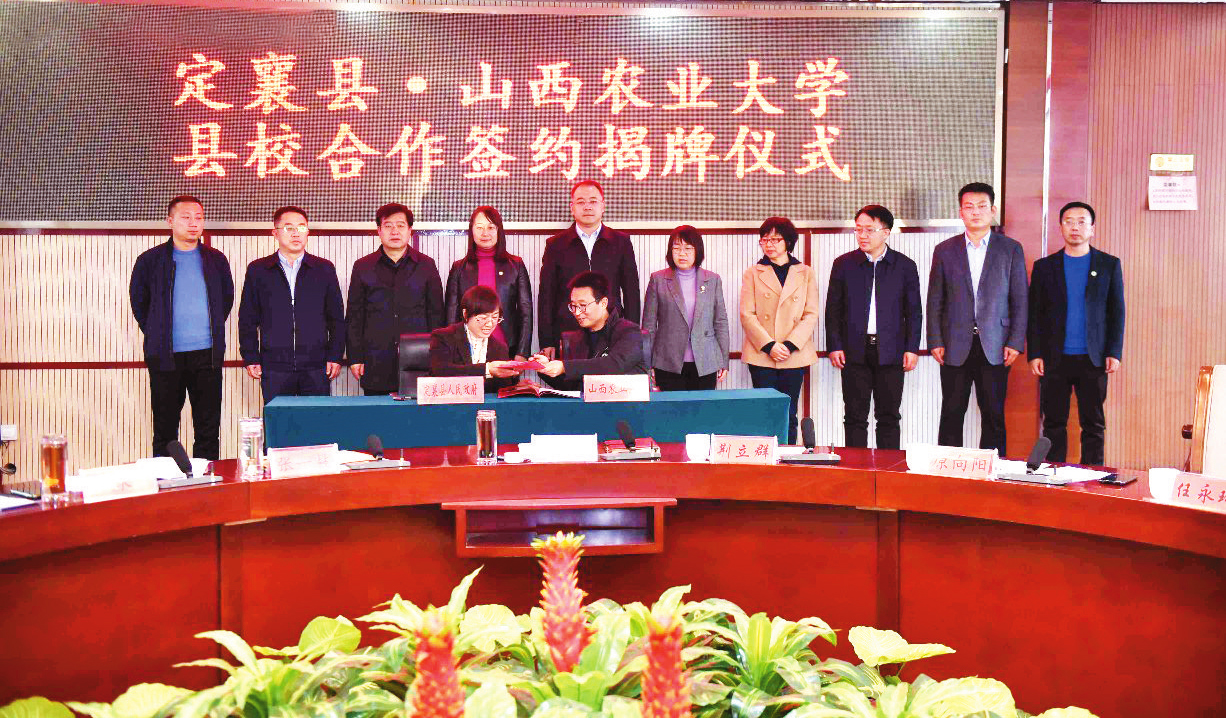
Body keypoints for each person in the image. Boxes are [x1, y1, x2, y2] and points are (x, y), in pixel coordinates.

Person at [129, 195, 233, 460]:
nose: (193, 223)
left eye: (198, 218)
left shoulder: (216, 260)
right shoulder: (150, 261)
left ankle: (206, 480)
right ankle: (166, 482)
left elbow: (226, 300)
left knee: (208, 430)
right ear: (170, 221)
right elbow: (139, 303)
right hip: (165, 356)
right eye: (186, 217)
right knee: (165, 430)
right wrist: (158, 332)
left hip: (207, 355)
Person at [927, 182, 1028, 455]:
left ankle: (992, 472)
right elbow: (935, 298)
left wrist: (1015, 342)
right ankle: (948, 471)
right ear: (960, 212)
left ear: (993, 210)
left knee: (993, 414)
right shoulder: (944, 250)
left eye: (982, 206)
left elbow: (1020, 299)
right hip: (954, 343)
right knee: (952, 412)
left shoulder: (1010, 249)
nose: (975, 212)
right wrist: (935, 339)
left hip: (996, 344)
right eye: (969, 207)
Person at [1028, 201, 1125, 465]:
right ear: (1060, 227)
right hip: (1054, 357)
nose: (1075, 227)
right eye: (1069, 222)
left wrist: (1114, 352)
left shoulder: (1109, 264)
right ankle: (1054, 474)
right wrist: (1035, 353)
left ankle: (1093, 477)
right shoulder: (1045, 267)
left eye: (1082, 222)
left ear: (1092, 228)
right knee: (1053, 423)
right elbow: (1034, 314)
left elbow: (1117, 312)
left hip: (1093, 358)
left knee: (1093, 424)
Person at [825, 205, 922, 449]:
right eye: (858, 230)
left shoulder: (905, 266)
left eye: (869, 230)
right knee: (855, 417)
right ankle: (856, 468)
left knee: (888, 417)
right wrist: (835, 345)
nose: (862, 235)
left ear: (886, 232)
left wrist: (912, 348)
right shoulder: (844, 264)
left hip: (891, 351)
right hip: (854, 350)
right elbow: (833, 310)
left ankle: (887, 469)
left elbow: (914, 312)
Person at [237, 206, 345, 403]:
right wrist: (250, 356)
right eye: (289, 228)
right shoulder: (258, 270)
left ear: (308, 232)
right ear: (275, 233)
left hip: (316, 365)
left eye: (301, 227)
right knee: (279, 419)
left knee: (316, 419)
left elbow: (336, 318)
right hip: (274, 366)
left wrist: (335, 355)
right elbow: (247, 319)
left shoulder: (324, 269)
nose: (296, 233)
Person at [346, 203, 444, 395]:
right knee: (377, 412)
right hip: (375, 360)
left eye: (400, 225)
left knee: (417, 412)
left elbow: (436, 314)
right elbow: (354, 317)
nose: (394, 231)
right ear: (379, 231)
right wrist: (355, 357)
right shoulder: (362, 266)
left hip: (418, 359)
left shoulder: (426, 265)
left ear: (410, 230)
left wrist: (438, 357)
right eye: (388, 225)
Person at [739, 217, 820, 444]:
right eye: (765, 240)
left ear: (788, 242)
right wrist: (769, 346)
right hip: (762, 353)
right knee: (764, 413)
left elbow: (811, 313)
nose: (769, 245)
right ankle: (765, 458)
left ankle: (788, 457)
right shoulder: (753, 273)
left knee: (789, 413)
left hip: (794, 353)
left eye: (775, 239)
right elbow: (746, 314)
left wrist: (790, 345)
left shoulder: (805, 272)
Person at [537, 179, 640, 355]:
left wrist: (631, 335)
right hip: (569, 330)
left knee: (609, 373)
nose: (587, 207)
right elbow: (546, 296)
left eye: (593, 201)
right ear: (572, 208)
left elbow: (632, 293)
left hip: (612, 331)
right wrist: (547, 341)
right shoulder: (555, 245)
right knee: (570, 372)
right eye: (581, 202)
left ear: (603, 206)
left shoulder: (621, 242)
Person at [641, 225, 729, 391]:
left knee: (703, 407)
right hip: (667, 362)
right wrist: (648, 363)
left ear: (698, 251)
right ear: (670, 251)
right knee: (670, 407)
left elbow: (721, 322)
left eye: (688, 248)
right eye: (676, 248)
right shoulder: (658, 279)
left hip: (706, 362)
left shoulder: (712, 279)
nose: (682, 253)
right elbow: (649, 326)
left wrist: (724, 360)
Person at [443, 206, 533, 360]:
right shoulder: (459, 268)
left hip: (506, 348)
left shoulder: (516, 265)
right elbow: (451, 313)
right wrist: (451, 351)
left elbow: (526, 312)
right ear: (472, 231)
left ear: (499, 230)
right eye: (479, 227)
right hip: (467, 351)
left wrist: (522, 352)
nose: (485, 233)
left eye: (491, 227)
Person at [532, 271, 647, 391]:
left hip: (626, 401)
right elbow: (573, 386)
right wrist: (544, 367)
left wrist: (564, 367)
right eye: (573, 306)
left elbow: (615, 365)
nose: (577, 313)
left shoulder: (628, 331)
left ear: (603, 303)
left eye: (582, 305)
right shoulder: (576, 339)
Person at [429, 286, 523, 392]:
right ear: (465, 314)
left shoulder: (500, 347)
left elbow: (502, 388)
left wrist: (516, 385)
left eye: (495, 317)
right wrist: (487, 370)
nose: (490, 324)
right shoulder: (444, 337)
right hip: (450, 401)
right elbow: (440, 371)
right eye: (483, 318)